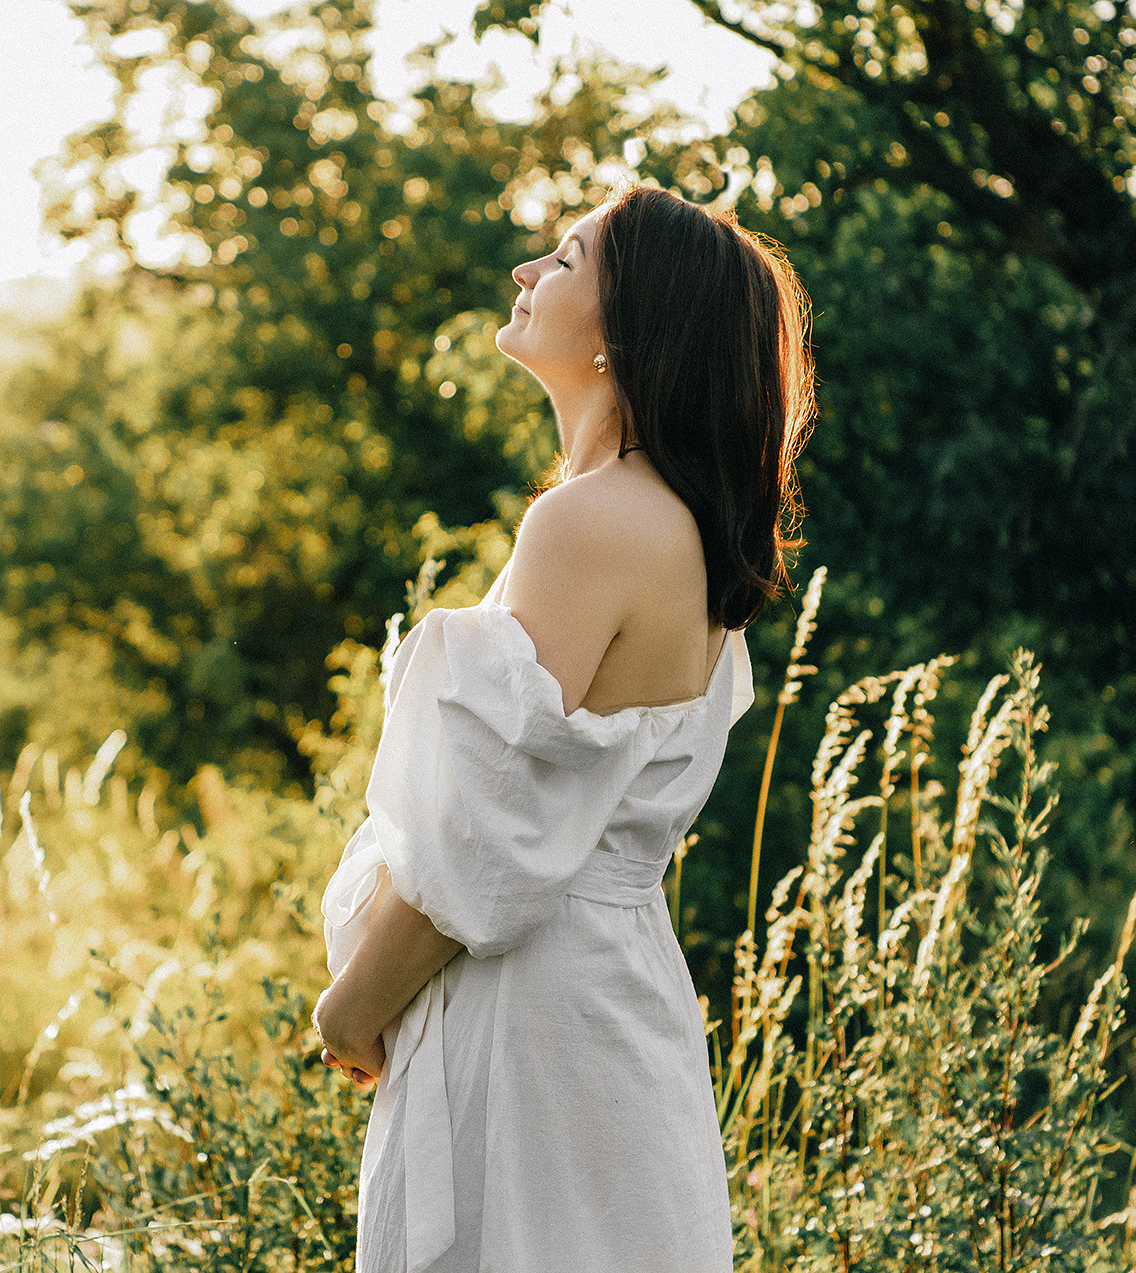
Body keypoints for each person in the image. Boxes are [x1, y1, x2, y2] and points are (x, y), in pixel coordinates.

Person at [312, 183, 815, 1273]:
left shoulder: (584, 524)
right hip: (613, 991)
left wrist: (351, 1008)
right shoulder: (681, 525)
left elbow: (483, 846)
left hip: (531, 1009)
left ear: (626, 329)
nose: (524, 272)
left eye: (565, 257)